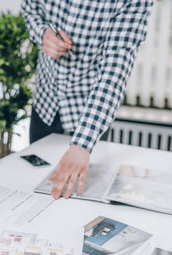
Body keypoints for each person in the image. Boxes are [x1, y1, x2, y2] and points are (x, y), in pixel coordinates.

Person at [22, 0, 153, 199]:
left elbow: (115, 69)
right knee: (34, 187)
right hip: (45, 102)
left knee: (83, 193)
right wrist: (42, 34)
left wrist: (82, 144)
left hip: (90, 113)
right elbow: (30, 8)